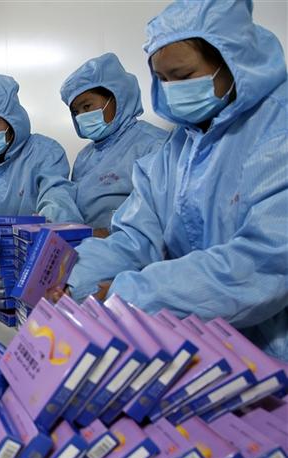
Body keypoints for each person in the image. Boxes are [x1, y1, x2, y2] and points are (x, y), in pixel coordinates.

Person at [63, 0, 288, 360]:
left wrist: (132, 295)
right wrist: (71, 277)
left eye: (183, 77)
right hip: (199, 348)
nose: (172, 90)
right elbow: (136, 237)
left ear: (234, 60)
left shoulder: (277, 131)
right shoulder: (178, 147)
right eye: (163, 80)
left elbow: (265, 263)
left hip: (270, 353)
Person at [0, 74, 82, 224]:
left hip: (37, 236)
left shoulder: (45, 152)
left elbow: (56, 196)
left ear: (12, 122)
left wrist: (49, 218)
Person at [60, 53, 168, 237]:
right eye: (76, 112)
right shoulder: (84, 157)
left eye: (87, 106)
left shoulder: (153, 144)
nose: (81, 116)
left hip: (133, 247)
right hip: (88, 246)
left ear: (118, 97)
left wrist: (109, 232)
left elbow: (158, 213)